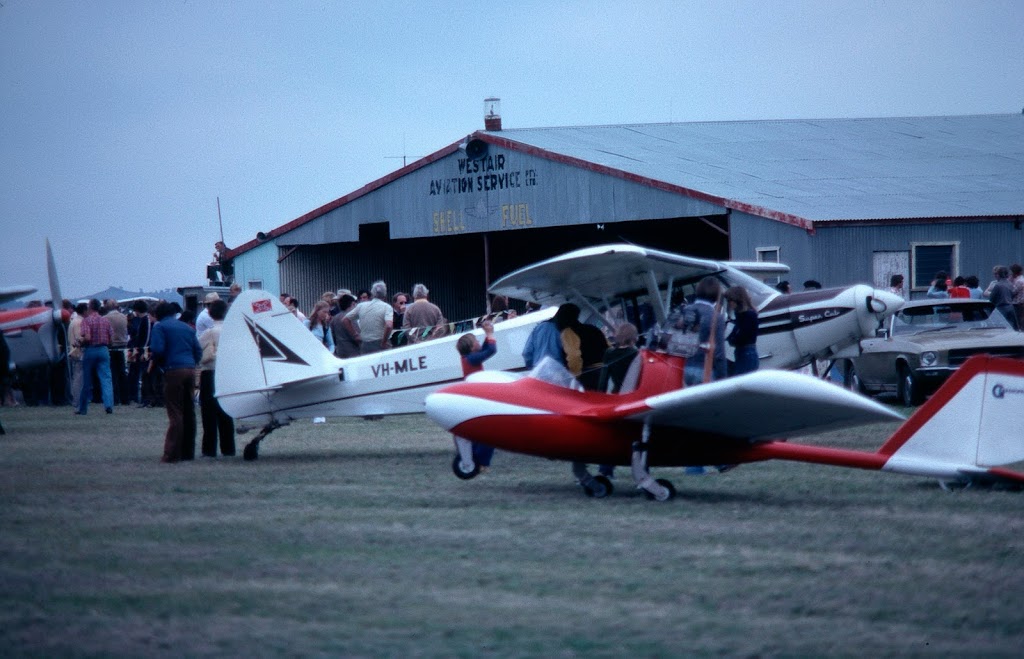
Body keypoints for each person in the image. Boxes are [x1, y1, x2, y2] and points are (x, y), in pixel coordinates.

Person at [150, 301, 202, 463]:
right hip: (190, 368)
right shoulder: (187, 328)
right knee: (189, 410)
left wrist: (160, 365)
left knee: (175, 412)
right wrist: (191, 363)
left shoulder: (160, 327)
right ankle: (188, 451)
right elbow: (198, 351)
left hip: (173, 369)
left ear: (159, 314)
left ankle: (172, 453)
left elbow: (157, 349)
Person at [454, 320, 498, 471]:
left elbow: (486, 348)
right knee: (488, 432)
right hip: (477, 399)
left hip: (474, 398)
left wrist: (488, 333)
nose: (479, 342)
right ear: (472, 347)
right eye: (476, 341)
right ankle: (481, 462)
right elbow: (491, 350)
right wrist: (490, 334)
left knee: (480, 431)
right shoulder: (472, 359)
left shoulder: (468, 358)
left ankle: (476, 458)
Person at [198, 300, 235, 458]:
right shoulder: (232, 330)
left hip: (210, 373)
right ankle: (228, 448)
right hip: (227, 373)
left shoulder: (208, 332)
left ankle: (209, 449)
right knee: (226, 412)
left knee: (209, 413)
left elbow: (199, 352)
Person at [678, 276, 727, 385]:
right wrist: (722, 377)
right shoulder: (716, 317)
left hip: (681, 368)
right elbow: (718, 352)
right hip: (704, 369)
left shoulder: (684, 310)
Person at [76, 299, 114, 415]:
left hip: (91, 350)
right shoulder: (106, 321)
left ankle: (83, 408)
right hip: (103, 350)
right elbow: (111, 339)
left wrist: (80, 343)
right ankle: (108, 405)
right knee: (106, 379)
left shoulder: (86, 321)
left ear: (90, 307)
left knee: (87, 380)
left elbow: (87, 337)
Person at [342, 280, 394, 354]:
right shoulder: (387, 307)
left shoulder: (361, 306)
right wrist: (384, 342)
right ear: (385, 295)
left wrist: (355, 335)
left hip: (365, 344)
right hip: (380, 342)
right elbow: (389, 325)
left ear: (372, 294)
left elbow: (345, 320)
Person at [522, 303, 577, 368]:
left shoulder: (538, 328)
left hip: (538, 371)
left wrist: (532, 368)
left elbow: (526, 352)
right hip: (558, 371)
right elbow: (572, 355)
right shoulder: (565, 331)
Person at [562, 315, 609, 391]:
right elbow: (608, 347)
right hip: (604, 370)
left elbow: (574, 356)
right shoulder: (593, 328)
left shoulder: (568, 332)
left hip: (588, 374)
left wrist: (575, 375)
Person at [724, 286, 759, 375]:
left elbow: (743, 336)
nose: (729, 303)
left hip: (747, 352)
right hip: (742, 352)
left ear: (737, 299)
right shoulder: (741, 315)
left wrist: (732, 339)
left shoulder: (748, 315)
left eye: (730, 300)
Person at [597, 322, 640, 394]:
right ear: (633, 338)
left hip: (618, 394)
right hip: (634, 393)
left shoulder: (609, 353)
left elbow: (603, 381)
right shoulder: (637, 353)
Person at [104, 299, 129, 405]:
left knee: (113, 373)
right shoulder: (124, 317)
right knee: (122, 372)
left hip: (111, 347)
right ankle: (125, 398)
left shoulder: (105, 318)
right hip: (123, 346)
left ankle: (115, 398)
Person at [127, 300, 152, 406]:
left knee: (144, 375)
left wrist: (142, 350)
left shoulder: (145, 320)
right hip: (141, 350)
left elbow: (145, 337)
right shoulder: (145, 320)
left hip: (143, 351)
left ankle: (144, 398)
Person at [985, 265, 1019, 330]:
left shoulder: (998, 285)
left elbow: (992, 299)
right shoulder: (1010, 284)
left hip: (1000, 309)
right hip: (1011, 308)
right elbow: (1013, 294)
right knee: (1012, 328)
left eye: (996, 274)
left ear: (998, 275)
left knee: (1000, 328)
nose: (995, 276)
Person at [67, 302, 87, 410]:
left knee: (76, 377)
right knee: (79, 378)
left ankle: (76, 399)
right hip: (79, 353)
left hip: (73, 352)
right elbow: (81, 338)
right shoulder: (80, 322)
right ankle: (77, 400)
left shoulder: (73, 321)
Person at [1010, 264, 1024, 331]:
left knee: (1018, 321)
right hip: (1020, 303)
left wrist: (1010, 281)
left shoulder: (1018, 281)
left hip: (1018, 304)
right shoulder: (1021, 279)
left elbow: (1012, 292)